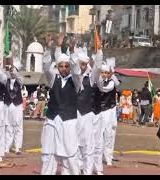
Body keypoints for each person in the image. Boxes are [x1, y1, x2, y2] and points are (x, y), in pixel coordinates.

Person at [40, 33, 81, 175]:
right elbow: (46, 67)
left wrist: (72, 51)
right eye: (61, 66)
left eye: (66, 66)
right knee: (48, 152)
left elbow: (76, 70)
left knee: (69, 153)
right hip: (52, 119)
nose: (63, 68)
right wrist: (48, 49)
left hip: (68, 121)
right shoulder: (53, 79)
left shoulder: (76, 81)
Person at [92, 56, 120, 175]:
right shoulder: (95, 81)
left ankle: (108, 157)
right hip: (98, 110)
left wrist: (111, 73)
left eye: (106, 73)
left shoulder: (112, 82)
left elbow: (106, 89)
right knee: (97, 135)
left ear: (109, 74)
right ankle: (94, 157)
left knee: (109, 134)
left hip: (109, 109)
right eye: (102, 72)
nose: (104, 74)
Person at [74, 49, 100, 175]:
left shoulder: (90, 78)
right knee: (77, 142)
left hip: (88, 113)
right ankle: (78, 167)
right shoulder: (76, 76)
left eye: (84, 64)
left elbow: (98, 68)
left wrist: (99, 52)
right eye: (81, 64)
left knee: (88, 144)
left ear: (87, 64)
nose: (82, 66)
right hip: (77, 113)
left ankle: (87, 170)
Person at [4, 66, 24, 155]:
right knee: (8, 127)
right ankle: (7, 147)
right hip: (8, 105)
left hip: (17, 105)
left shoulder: (20, 81)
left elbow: (19, 78)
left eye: (13, 71)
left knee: (18, 126)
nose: (12, 72)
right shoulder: (6, 80)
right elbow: (1, 76)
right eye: (11, 71)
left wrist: (14, 70)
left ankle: (17, 147)